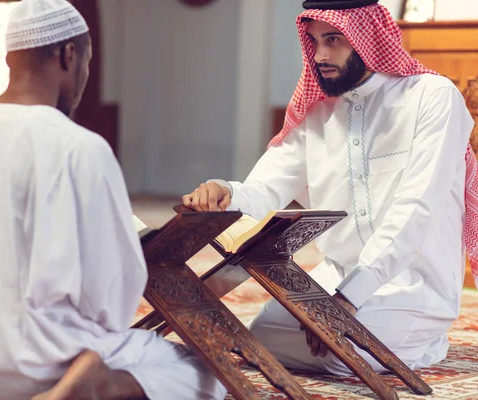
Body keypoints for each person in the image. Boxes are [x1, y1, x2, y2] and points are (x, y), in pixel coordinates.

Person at [0, 1, 227, 399]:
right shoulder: (79, 147)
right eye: (87, 63)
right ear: (69, 55)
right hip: (53, 364)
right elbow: (113, 292)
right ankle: (89, 385)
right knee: (205, 373)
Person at [183, 0, 478, 376]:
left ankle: (423, 341)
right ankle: (373, 338)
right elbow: (267, 186)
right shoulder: (318, 109)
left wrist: (353, 297)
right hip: (334, 277)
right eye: (314, 40)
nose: (320, 54)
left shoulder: (431, 97)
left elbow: (416, 208)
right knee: (260, 337)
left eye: (334, 39)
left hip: (413, 283)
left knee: (338, 353)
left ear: (367, 37)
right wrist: (226, 192)